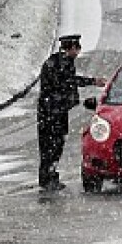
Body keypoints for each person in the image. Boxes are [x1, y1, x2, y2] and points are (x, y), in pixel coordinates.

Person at [37, 34, 105, 191]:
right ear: (72, 48)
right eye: (77, 48)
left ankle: (48, 176)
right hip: (53, 111)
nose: (78, 52)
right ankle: (48, 178)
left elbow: (67, 80)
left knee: (52, 145)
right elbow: (69, 81)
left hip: (52, 110)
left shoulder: (58, 61)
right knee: (53, 145)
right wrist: (92, 81)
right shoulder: (60, 63)